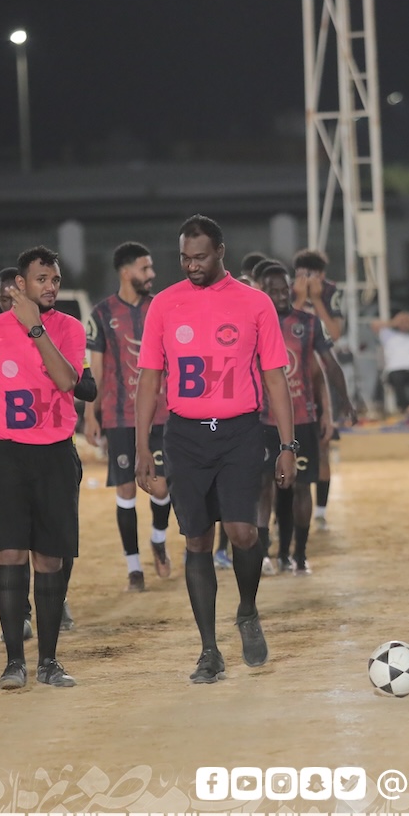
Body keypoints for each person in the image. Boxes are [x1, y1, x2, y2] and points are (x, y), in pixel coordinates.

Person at [133, 214, 297, 685]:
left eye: (200, 257)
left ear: (221, 251)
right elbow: (149, 380)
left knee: (244, 532)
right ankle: (209, 651)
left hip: (240, 432)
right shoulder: (164, 305)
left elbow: (275, 378)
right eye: (185, 258)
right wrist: (143, 446)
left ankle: (247, 610)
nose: (191, 266)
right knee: (198, 541)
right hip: (184, 437)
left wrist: (287, 445)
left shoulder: (255, 303)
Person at [0, 246, 84, 691]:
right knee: (10, 554)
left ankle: (48, 661)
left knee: (49, 559)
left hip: (55, 454)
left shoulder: (69, 328)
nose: (51, 286)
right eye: (42, 279)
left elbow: (67, 380)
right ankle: (13, 662)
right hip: (4, 454)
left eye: (55, 279)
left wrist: (36, 329)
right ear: (21, 284)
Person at [81, 241, 175, 592]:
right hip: (119, 416)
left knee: (161, 485)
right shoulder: (101, 314)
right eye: (144, 268)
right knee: (125, 489)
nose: (152, 274)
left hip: (161, 414)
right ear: (125, 272)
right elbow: (96, 369)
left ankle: (158, 538)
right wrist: (90, 414)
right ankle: (134, 568)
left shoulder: (161, 307)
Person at [255, 261, 333, 574]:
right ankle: (264, 553)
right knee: (264, 486)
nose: (279, 295)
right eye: (272, 290)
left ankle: (298, 554)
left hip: (302, 419)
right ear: (262, 291)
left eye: (283, 289)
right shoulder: (254, 324)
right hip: (263, 421)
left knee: (299, 487)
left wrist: (332, 409)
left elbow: (321, 371)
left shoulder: (307, 324)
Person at [292, 248, 353, 532]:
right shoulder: (286, 290)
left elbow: (334, 333)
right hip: (293, 372)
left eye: (311, 274)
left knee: (322, 443)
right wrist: (299, 297)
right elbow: (284, 326)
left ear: (321, 275)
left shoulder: (330, 292)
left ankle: (320, 511)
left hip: (320, 373)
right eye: (301, 274)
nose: (306, 279)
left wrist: (316, 300)